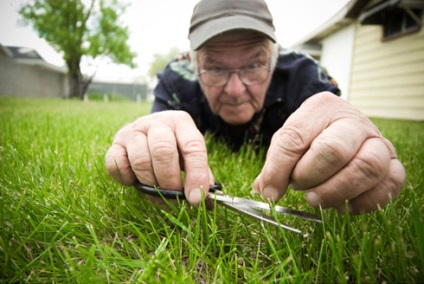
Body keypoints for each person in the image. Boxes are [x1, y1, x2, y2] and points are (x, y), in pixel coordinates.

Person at [105, 0, 405, 215]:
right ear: (194, 64)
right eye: (215, 68)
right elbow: (153, 127)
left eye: (254, 64)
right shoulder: (176, 77)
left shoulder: (305, 75)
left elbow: (338, 121)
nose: (235, 91)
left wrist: (355, 142)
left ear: (275, 59)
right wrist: (145, 138)